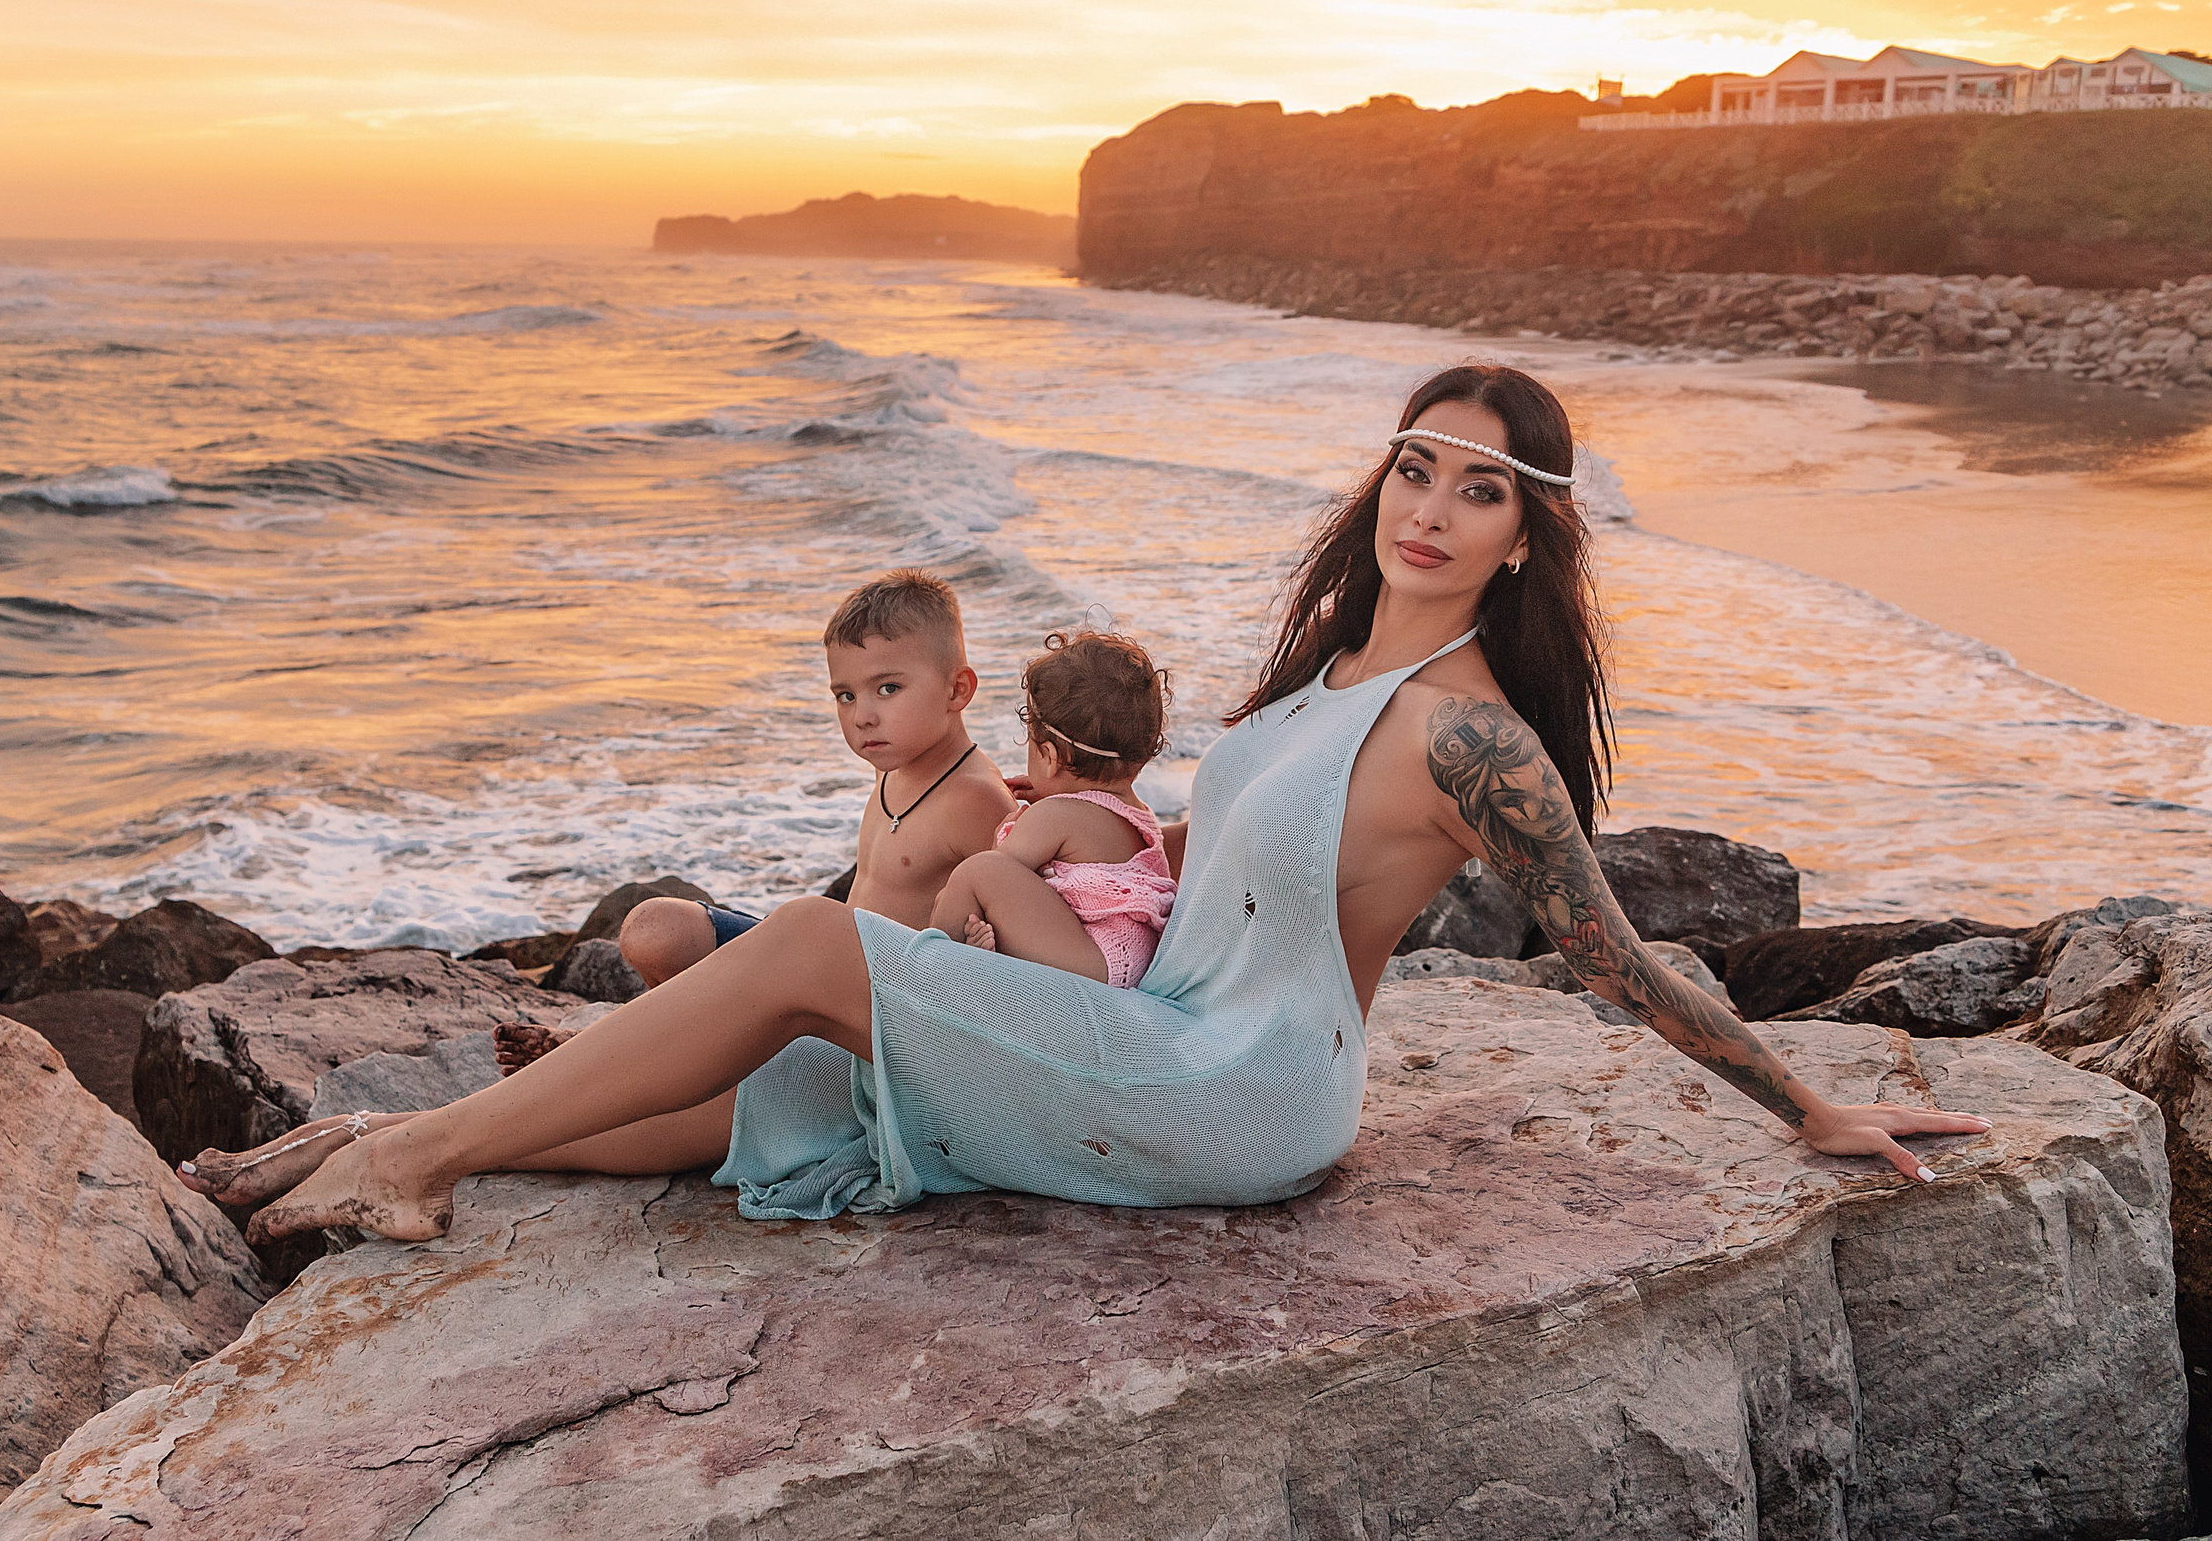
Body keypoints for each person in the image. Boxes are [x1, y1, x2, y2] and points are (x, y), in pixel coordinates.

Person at [180, 365, 1987, 1242]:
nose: (1428, 509)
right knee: (796, 1073)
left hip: (1246, 1092)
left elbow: (1609, 952)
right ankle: (346, 1160)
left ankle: (408, 1156)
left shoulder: (1474, 736)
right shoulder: (1325, 675)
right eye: (1412, 468)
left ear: (1531, 534)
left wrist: (1809, 1097)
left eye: (1479, 492)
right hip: (1152, 1025)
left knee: (814, 943)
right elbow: (1213, 862)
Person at [480, 568, 1016, 1077]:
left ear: (957, 690)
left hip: (864, 1018)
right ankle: (652, 1045)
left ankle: (607, 1058)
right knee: (655, 929)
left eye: (888, 689)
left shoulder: (976, 800)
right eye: (845, 695)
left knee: (733, 996)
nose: (862, 716)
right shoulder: (897, 769)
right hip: (812, 977)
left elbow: (1028, 947)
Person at [930, 629, 1177, 988]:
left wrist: (1018, 818)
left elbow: (1003, 869)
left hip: (1094, 959)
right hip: (1127, 958)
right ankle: (969, 953)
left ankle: (925, 979)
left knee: (975, 873)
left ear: (1048, 758)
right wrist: (1051, 796)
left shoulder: (1055, 816)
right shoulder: (1136, 814)